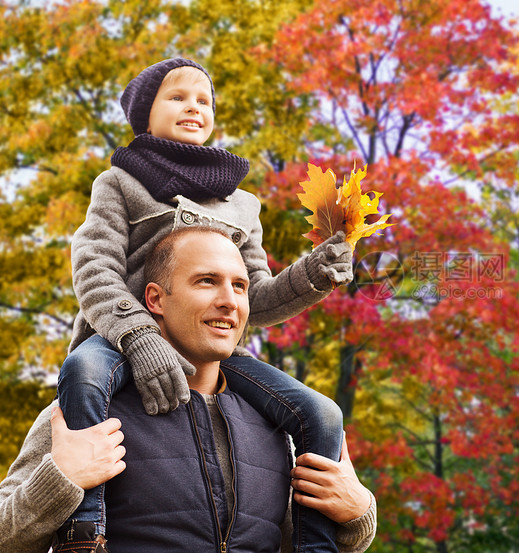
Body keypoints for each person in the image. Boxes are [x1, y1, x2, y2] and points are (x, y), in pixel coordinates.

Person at [56, 58, 353, 552]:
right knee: (81, 374)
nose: (194, 106)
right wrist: (139, 337)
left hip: (212, 354)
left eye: (204, 100)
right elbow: (94, 270)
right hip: (120, 337)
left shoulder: (243, 205)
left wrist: (313, 274)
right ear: (144, 115)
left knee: (322, 415)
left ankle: (314, 544)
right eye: (177, 97)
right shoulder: (120, 183)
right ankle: (85, 529)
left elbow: (253, 299)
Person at [0, 227, 376, 553]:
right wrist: (59, 480)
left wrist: (357, 515)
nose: (230, 301)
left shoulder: (279, 427)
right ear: (155, 299)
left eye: (240, 286)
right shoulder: (86, 416)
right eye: (207, 281)